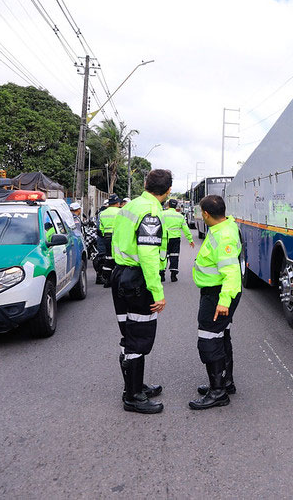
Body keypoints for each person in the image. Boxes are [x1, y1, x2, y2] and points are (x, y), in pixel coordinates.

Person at [110, 170, 172, 414]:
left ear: (146, 184)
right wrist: (157, 292)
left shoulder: (131, 205)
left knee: (130, 333)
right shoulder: (151, 212)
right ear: (167, 192)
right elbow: (147, 255)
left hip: (120, 274)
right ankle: (133, 396)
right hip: (137, 279)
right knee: (139, 336)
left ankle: (134, 386)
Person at [190, 194, 242, 410]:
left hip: (219, 294)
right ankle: (225, 383)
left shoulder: (224, 236)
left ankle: (218, 392)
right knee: (221, 335)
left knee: (209, 338)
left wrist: (223, 301)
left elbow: (231, 272)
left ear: (206, 214)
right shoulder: (222, 228)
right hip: (216, 292)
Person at [161, 198, 195, 282]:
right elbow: (185, 229)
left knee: (163, 256)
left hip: (164, 239)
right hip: (175, 239)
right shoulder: (180, 216)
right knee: (174, 256)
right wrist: (190, 240)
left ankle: (162, 274)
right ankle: (173, 275)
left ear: (168, 205)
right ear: (176, 206)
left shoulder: (161, 214)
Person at [97, 195, 123, 287]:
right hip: (118, 237)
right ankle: (118, 280)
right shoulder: (121, 212)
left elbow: (100, 228)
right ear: (117, 203)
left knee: (108, 257)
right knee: (119, 258)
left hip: (107, 237)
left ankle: (107, 279)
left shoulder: (102, 213)